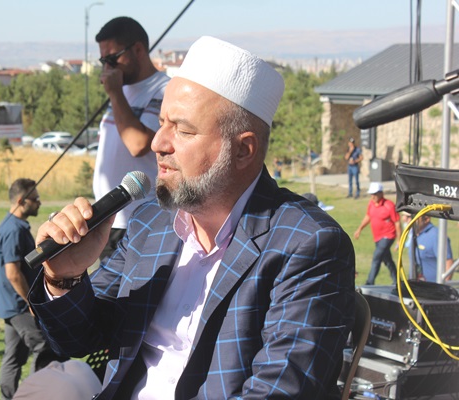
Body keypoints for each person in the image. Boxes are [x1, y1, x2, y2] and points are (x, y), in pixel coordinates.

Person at [29, 36, 355, 399]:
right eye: (161, 123)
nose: (157, 143)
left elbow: (281, 389)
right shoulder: (151, 222)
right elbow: (79, 338)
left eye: (183, 130)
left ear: (243, 150)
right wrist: (66, 277)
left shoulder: (307, 244)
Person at [93, 16, 170, 260]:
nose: (108, 68)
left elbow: (138, 144)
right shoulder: (121, 90)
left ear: (138, 50)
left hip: (139, 221)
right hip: (109, 220)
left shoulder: (163, 90)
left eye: (112, 58)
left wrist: (115, 93)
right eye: (103, 61)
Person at [0, 178, 58, 400]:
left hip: (10, 305)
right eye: (35, 199)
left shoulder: (14, 225)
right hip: (19, 305)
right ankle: (35, 395)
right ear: (21, 201)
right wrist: (30, 302)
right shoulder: (13, 231)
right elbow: (13, 273)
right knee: (44, 347)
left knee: (14, 356)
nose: (39, 202)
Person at [354, 182, 401, 285]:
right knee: (387, 260)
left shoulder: (389, 205)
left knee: (376, 257)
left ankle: (369, 282)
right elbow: (368, 216)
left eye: (375, 194)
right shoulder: (371, 204)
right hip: (377, 237)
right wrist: (359, 229)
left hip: (388, 236)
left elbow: (397, 222)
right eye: (372, 194)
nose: (373, 196)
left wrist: (399, 240)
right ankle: (397, 280)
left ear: (381, 193)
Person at [410, 214, 453, 282]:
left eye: (414, 218)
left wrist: (442, 285)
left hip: (433, 286)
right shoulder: (415, 234)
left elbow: (448, 262)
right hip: (417, 285)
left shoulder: (436, 235)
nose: (409, 220)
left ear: (426, 219)